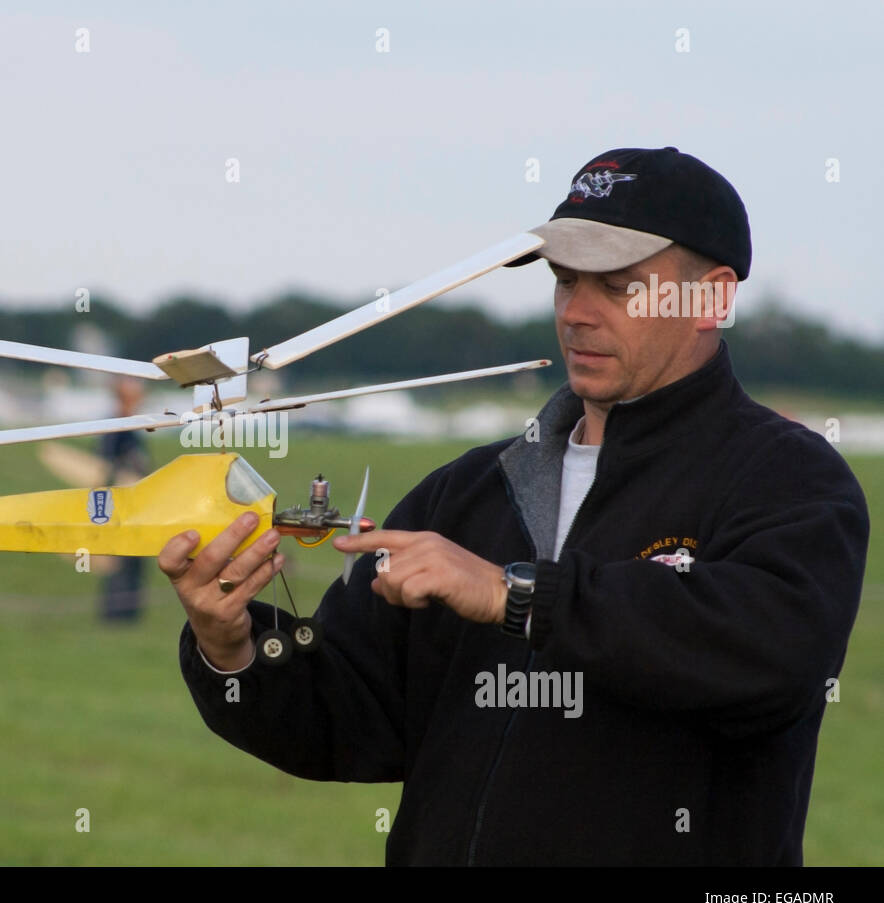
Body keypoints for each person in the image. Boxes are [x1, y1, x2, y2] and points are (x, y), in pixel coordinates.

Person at [156, 147, 871, 865]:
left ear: (713, 298)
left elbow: (773, 654)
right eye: (565, 282)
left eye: (619, 287)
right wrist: (235, 648)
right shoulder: (466, 489)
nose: (577, 315)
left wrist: (515, 595)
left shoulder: (789, 477)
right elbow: (349, 718)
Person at [99, 377, 151, 622]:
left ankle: (128, 613)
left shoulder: (128, 426)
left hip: (136, 505)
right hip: (121, 507)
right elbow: (106, 467)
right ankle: (118, 614)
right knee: (121, 561)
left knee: (134, 562)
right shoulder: (117, 428)